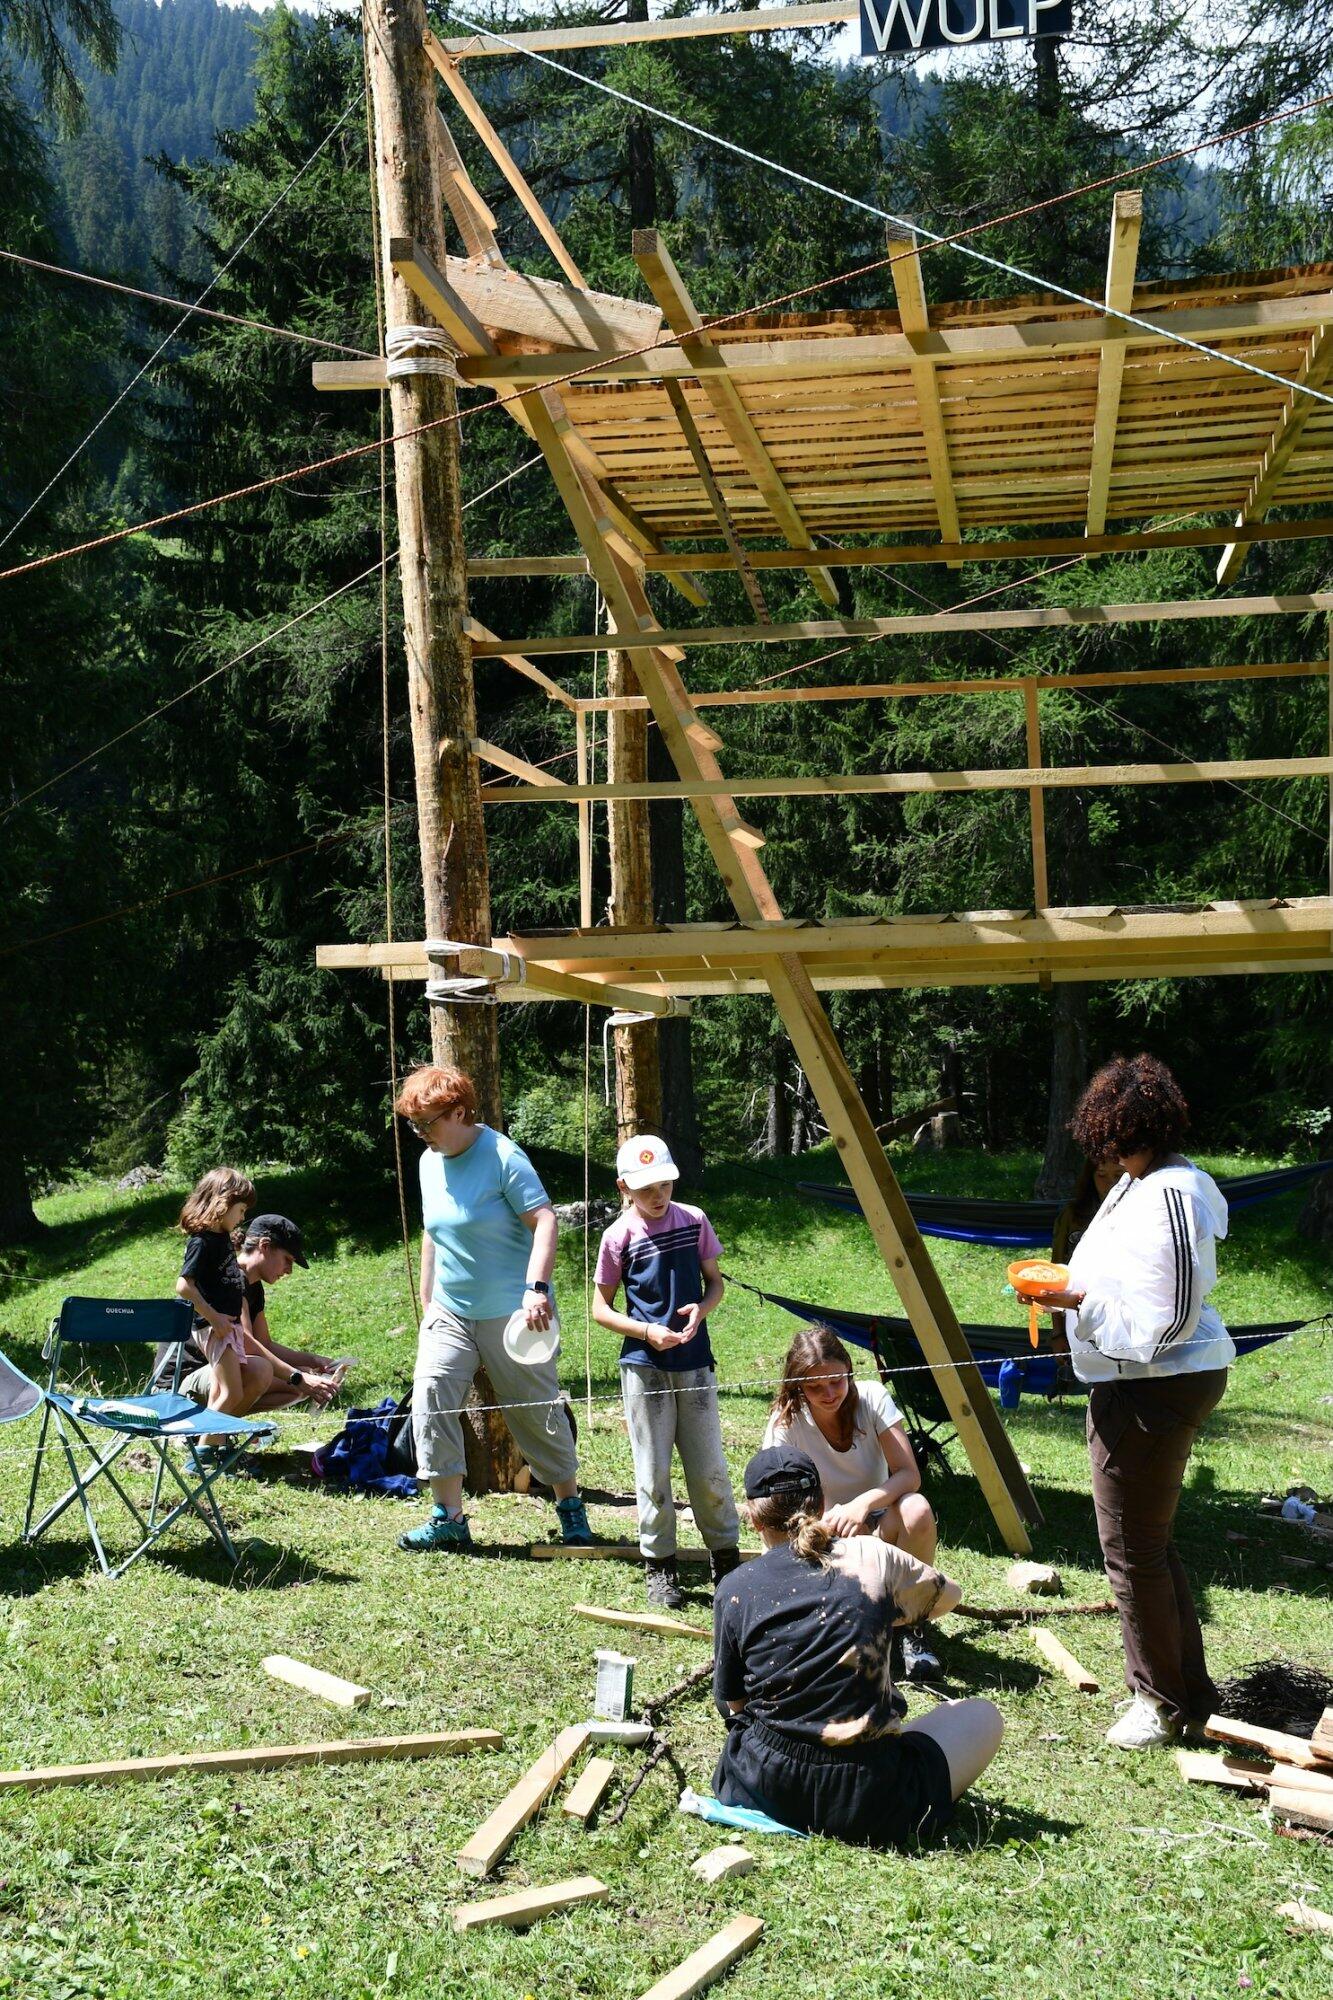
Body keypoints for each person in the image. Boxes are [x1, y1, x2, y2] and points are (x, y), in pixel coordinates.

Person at [1041, 1053, 1235, 1751]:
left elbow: (1169, 1317)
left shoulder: (1172, 1192)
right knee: (1145, 1545)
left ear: (1125, 1128)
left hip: (1155, 1384)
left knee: (1129, 1549)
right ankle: (1188, 1691)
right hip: (1132, 1380)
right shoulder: (1142, 1181)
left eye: (1108, 1137)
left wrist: (1079, 1303)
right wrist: (1068, 1293)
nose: (1104, 1153)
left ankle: (1157, 1700)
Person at [712, 1445, 1003, 1849]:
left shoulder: (736, 1586)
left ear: (753, 1517)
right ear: (822, 1504)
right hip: (868, 1800)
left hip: (763, 1784)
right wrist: (882, 1609)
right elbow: (950, 1596)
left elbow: (734, 1706)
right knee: (982, 1715)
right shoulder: (870, 1557)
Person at [394, 1063, 593, 1553]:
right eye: (414, 1126)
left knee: (535, 1412)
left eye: (428, 1123)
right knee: (431, 1395)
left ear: (459, 1112)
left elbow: (545, 1220)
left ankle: (569, 1505)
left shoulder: (503, 1156)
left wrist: (536, 1289)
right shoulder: (428, 1162)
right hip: (451, 1310)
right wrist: (428, 1302)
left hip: (515, 1313)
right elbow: (432, 1233)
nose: (421, 1135)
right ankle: (448, 1517)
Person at [592, 1134, 742, 1610]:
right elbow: (600, 1309)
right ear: (624, 1188)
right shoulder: (618, 1237)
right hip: (645, 1368)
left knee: (709, 1468)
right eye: (646, 1188)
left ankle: (726, 1561)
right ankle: (660, 1566)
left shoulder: (694, 1219)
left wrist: (702, 1309)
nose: (658, 1196)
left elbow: (714, 1283)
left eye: (664, 1185)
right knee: (652, 1472)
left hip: (695, 1363)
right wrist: (645, 1332)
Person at [762, 1323, 943, 1681]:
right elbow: (776, 1502)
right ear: (798, 1386)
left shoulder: (872, 1398)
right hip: (819, 1530)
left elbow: (909, 1474)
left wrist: (863, 1505)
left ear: (848, 1370)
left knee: (917, 1509)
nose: (829, 1394)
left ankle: (910, 1626)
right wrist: (827, 1523)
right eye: (815, 1387)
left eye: (836, 1381)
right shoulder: (787, 1423)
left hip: (877, 1522)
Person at [157, 1207, 343, 1412]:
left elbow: (264, 1344)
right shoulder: (232, 1280)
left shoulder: (254, 1286)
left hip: (214, 1375)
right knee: (262, 1372)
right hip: (178, 1386)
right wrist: (298, 1377)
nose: (289, 1270)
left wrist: (314, 1362)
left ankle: (218, 1426)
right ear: (265, 1246)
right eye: (287, 1260)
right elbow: (244, 1346)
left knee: (296, 1383)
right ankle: (210, 1427)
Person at [171, 1168, 272, 1416]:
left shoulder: (222, 1237)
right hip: (214, 1327)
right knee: (232, 1393)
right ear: (223, 1203)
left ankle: (212, 1437)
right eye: (241, 1210)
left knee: (219, 1393)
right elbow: (184, 1286)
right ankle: (206, 1439)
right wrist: (213, 1317)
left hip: (227, 1326)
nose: (242, 1217)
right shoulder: (201, 1242)